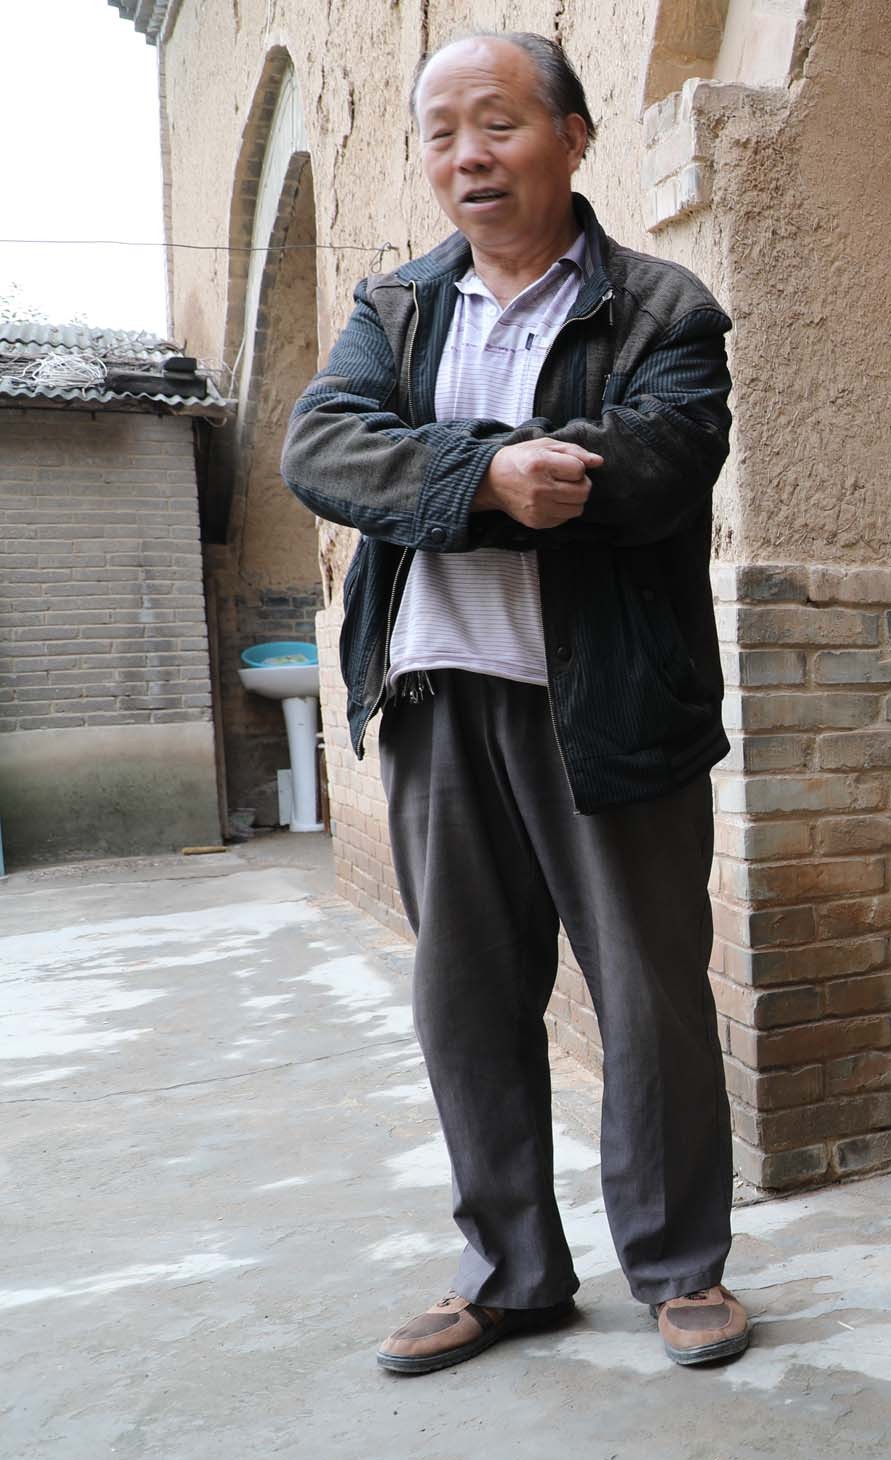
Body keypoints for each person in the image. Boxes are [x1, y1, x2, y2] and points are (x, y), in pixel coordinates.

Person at [284, 32, 749, 1374]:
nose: (467, 155)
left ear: (574, 137)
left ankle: (678, 1269)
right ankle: (510, 1270)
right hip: (438, 703)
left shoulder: (665, 309)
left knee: (649, 997)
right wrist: (489, 481)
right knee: (467, 1001)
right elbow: (322, 445)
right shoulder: (399, 309)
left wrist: (432, 478)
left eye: (497, 122)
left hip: (607, 710)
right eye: (440, 132)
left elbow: (648, 468)